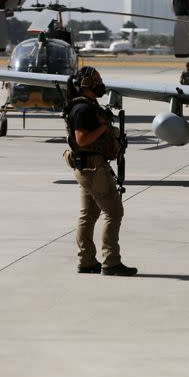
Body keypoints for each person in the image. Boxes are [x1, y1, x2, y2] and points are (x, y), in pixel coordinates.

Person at [63, 66, 137, 276]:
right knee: (114, 212)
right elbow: (81, 139)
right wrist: (104, 128)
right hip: (93, 168)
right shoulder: (83, 109)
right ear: (86, 84)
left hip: (88, 167)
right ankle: (111, 261)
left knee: (89, 214)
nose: (101, 83)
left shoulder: (86, 106)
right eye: (97, 80)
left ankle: (86, 261)